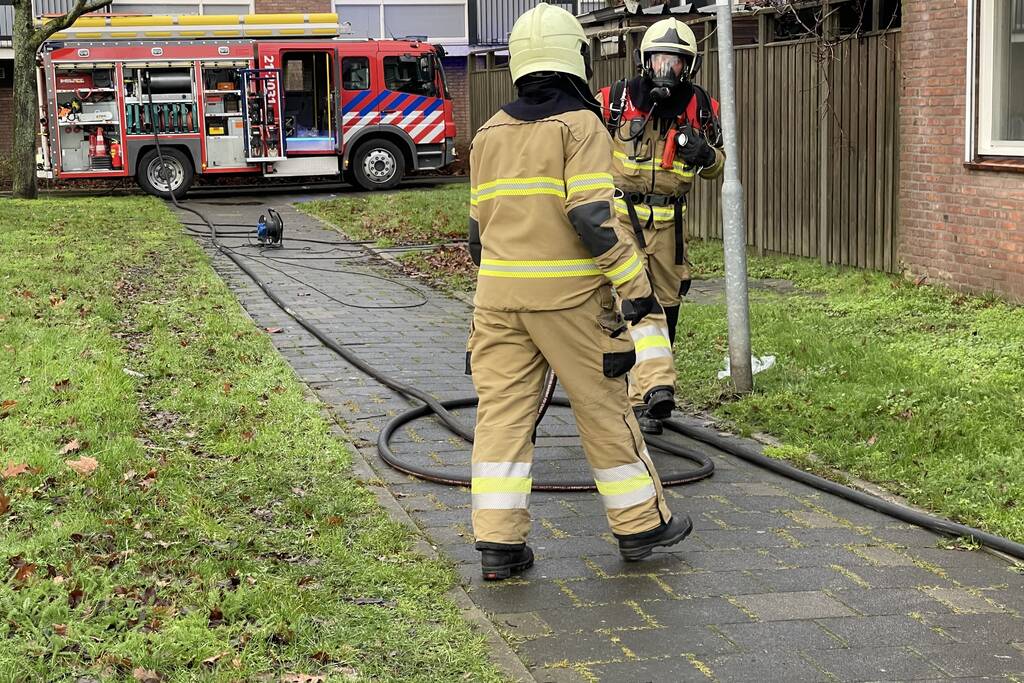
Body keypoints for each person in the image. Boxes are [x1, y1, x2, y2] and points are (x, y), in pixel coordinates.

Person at [466, 3, 692, 581]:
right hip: (569, 303)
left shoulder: (489, 133)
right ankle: (641, 523)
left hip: (496, 303)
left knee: (501, 419)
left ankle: (498, 545)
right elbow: (594, 218)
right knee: (604, 409)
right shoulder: (582, 126)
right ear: (577, 59)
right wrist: (633, 289)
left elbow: (475, 236)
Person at [598, 18, 725, 435]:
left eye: (674, 61)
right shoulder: (614, 101)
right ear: (644, 60)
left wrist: (706, 155)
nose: (665, 69)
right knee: (636, 303)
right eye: (658, 59)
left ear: (688, 65)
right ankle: (646, 395)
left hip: (670, 228)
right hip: (622, 221)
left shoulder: (701, 108)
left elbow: (718, 166)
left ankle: (649, 389)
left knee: (666, 309)